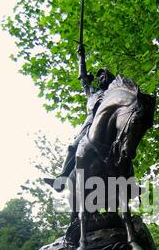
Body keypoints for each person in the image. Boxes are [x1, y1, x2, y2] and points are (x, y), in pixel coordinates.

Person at [44, 44, 115, 191]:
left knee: (123, 147)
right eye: (101, 76)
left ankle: (130, 183)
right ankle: (62, 179)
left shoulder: (114, 95)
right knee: (73, 147)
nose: (103, 78)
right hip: (89, 126)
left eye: (106, 76)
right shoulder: (92, 92)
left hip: (108, 126)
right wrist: (81, 57)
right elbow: (83, 77)